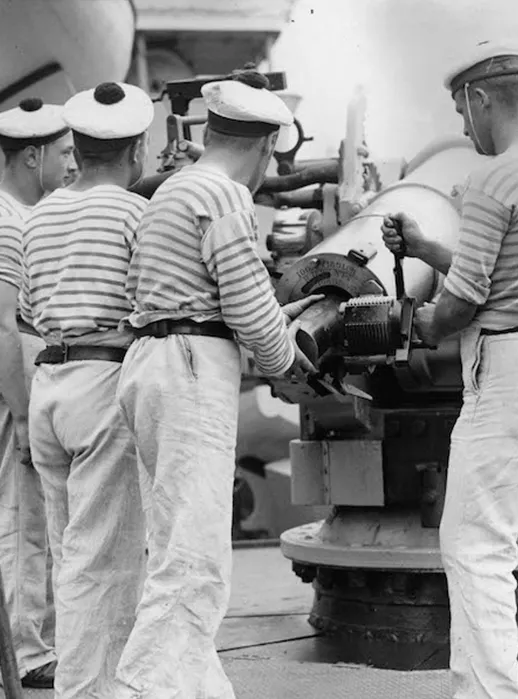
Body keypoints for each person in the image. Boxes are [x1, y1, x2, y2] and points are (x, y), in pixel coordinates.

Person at [382, 41, 518, 699]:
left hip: (509, 370)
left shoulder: (491, 180)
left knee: (474, 540)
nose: (464, 127)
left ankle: (488, 689)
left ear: (478, 98)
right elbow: (504, 269)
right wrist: (424, 248)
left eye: (461, 110)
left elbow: (465, 301)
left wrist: (410, 327)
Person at [111, 69, 319, 699]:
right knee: (195, 562)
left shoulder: (174, 190)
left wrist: (263, 329)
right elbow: (251, 313)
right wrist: (289, 366)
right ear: (263, 147)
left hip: (153, 362)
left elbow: (207, 298)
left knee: (174, 545)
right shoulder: (225, 195)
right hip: (190, 372)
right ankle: (143, 689)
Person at [20, 81, 153, 698]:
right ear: (138, 150)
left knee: (68, 551)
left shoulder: (38, 214)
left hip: (48, 385)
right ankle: (92, 692)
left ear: (74, 144)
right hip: (103, 382)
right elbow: (150, 305)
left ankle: (83, 682)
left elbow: (26, 310)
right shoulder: (133, 212)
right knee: (106, 558)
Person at [0, 97, 72, 689]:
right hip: (7, 368)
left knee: (32, 515)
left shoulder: (16, 210)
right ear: (33, 155)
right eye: (65, 153)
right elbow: (0, 325)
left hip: (15, 361)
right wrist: (25, 414)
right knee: (19, 517)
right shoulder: (5, 218)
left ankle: (34, 645)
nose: (72, 164)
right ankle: (25, 656)